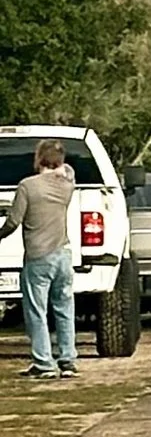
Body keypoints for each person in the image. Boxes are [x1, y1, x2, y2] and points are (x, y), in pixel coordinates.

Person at [4, 143, 78, 380]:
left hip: (38, 256)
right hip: (64, 254)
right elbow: (69, 171)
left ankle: (44, 363)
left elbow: (13, 221)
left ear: (38, 160)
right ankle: (67, 360)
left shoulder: (27, 186)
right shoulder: (66, 185)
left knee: (37, 311)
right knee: (64, 309)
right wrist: (61, 166)